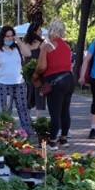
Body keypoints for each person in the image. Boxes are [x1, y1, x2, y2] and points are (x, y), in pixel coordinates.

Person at [34, 19, 73, 149]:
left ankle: (52, 141)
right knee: (65, 110)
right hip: (69, 79)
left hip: (55, 81)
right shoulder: (67, 46)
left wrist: (35, 74)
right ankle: (64, 139)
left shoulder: (47, 45)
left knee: (55, 112)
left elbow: (41, 66)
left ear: (50, 30)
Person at [0, 25, 32, 135]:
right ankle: (7, 133)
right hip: (5, 86)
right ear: (2, 37)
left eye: (11, 36)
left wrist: (18, 40)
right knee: (7, 110)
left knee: (23, 108)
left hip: (19, 84)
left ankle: (27, 131)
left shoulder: (17, 48)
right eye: (7, 36)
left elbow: (28, 53)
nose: (9, 38)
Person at [22, 21, 45, 114]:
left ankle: (28, 119)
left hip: (28, 73)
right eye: (39, 29)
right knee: (39, 96)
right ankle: (39, 120)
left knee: (29, 95)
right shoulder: (42, 43)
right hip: (38, 72)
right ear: (35, 31)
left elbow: (23, 58)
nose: (41, 31)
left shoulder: (24, 43)